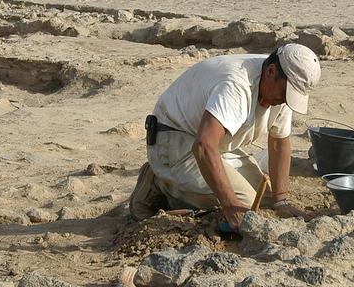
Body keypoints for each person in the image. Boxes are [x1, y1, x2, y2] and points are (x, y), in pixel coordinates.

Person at [130, 44, 321, 229]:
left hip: (213, 143)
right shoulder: (236, 85)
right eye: (287, 93)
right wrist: (230, 207)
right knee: (243, 205)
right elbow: (204, 146)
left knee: (265, 198)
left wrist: (281, 201)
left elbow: (279, 142)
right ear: (271, 71)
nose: (286, 100)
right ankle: (160, 181)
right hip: (173, 137)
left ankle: (178, 179)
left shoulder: (279, 84)